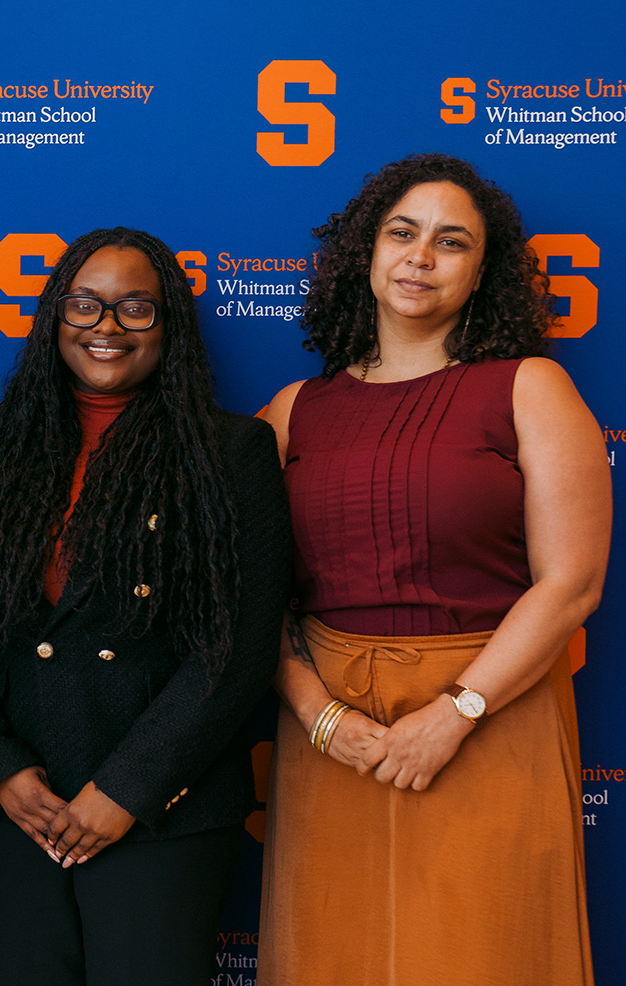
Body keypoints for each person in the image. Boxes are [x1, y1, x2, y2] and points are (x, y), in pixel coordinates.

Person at [258, 154, 607, 986]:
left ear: (483, 272)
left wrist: (457, 713)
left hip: (491, 720)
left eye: (452, 241)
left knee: (488, 955)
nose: (421, 256)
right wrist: (321, 717)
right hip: (332, 734)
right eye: (402, 233)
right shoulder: (292, 410)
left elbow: (572, 584)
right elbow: (247, 598)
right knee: (328, 958)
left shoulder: (530, 388)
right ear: (365, 255)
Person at [0, 228, 291, 985]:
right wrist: (2, 773)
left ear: (171, 328)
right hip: (25, 812)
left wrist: (125, 791)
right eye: (85, 305)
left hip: (164, 809)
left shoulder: (232, 451)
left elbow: (235, 651)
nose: (106, 326)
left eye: (137, 308)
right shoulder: (1, 451)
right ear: (54, 317)